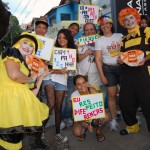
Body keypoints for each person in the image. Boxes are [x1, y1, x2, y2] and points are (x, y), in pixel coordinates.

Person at [0, 32, 50, 150]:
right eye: (25, 42)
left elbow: (30, 94)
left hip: (16, 109)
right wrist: (31, 78)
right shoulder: (12, 52)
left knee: (13, 141)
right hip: (8, 106)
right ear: (18, 43)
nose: (28, 46)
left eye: (32, 46)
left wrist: (41, 77)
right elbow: (14, 75)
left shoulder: (24, 66)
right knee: (12, 140)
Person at [117, 7, 150, 135]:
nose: (129, 21)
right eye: (126, 20)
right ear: (123, 23)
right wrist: (120, 60)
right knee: (125, 101)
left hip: (144, 72)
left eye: (131, 18)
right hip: (128, 73)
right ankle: (132, 126)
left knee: (148, 102)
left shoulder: (146, 31)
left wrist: (145, 59)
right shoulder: (124, 39)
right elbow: (121, 57)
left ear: (136, 19)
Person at [43, 29, 76, 142]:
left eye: (64, 37)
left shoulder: (72, 52)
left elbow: (70, 72)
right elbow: (45, 66)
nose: (61, 39)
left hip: (62, 81)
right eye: (59, 37)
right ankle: (41, 130)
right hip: (50, 78)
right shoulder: (52, 49)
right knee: (51, 104)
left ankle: (57, 132)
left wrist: (65, 72)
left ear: (68, 39)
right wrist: (57, 71)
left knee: (58, 107)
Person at [95, 16, 123, 131]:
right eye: (102, 25)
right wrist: (102, 76)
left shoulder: (120, 36)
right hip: (108, 70)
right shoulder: (99, 40)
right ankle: (113, 120)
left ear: (111, 24)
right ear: (100, 27)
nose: (105, 26)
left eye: (107, 24)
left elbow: (127, 51)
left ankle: (130, 115)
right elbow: (97, 59)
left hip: (122, 68)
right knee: (111, 96)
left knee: (126, 93)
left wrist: (123, 58)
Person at [71, 75, 110, 142]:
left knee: (106, 117)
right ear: (75, 87)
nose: (82, 86)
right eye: (79, 84)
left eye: (83, 82)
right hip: (82, 119)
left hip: (94, 117)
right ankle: (84, 131)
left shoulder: (92, 90)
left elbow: (99, 107)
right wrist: (86, 125)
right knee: (77, 132)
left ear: (86, 83)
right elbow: (77, 116)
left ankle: (98, 131)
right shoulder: (74, 96)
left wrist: (99, 116)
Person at [61, 23, 79, 129]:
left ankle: (67, 118)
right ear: (68, 28)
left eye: (76, 30)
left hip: (71, 75)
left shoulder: (76, 42)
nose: (74, 30)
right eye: (72, 28)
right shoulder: (59, 39)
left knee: (69, 99)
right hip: (59, 75)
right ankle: (62, 118)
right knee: (61, 99)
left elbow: (77, 60)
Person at [77, 23, 102, 92]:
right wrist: (85, 54)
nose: (89, 31)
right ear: (84, 32)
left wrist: (96, 53)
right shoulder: (79, 42)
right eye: (87, 30)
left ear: (95, 30)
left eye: (91, 29)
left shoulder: (101, 40)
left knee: (95, 99)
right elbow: (75, 59)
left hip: (96, 78)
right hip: (82, 77)